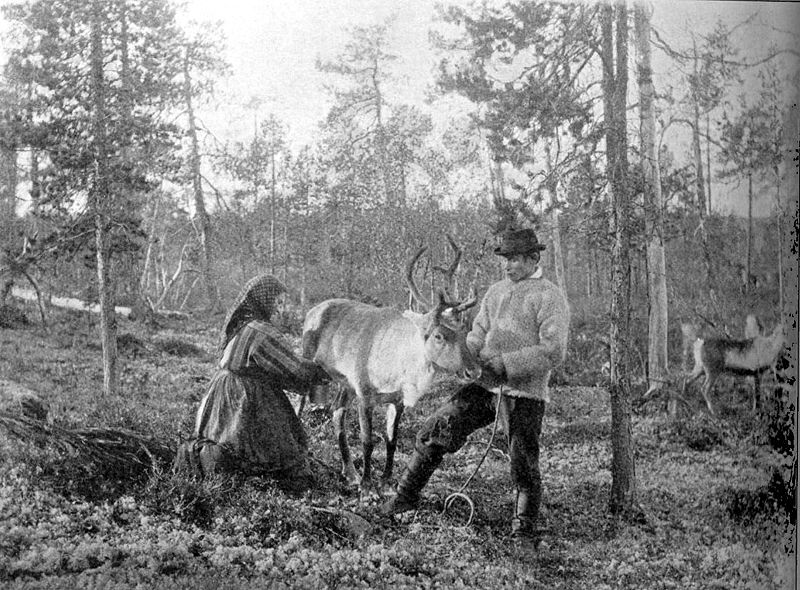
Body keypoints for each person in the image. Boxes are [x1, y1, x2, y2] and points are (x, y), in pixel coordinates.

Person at [381, 228, 570, 551]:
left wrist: (506, 364)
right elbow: (476, 336)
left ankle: (523, 533)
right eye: (505, 259)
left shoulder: (550, 296)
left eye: (514, 259)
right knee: (437, 428)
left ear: (533, 259)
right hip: (484, 386)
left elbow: (553, 351)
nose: (508, 266)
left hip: (524, 393)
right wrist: (461, 353)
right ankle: (403, 498)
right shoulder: (496, 292)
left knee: (523, 461)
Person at [178, 274, 326, 481]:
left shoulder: (242, 326)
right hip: (245, 394)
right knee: (264, 446)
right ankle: (256, 482)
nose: (276, 307)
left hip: (221, 390)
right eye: (274, 300)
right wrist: (323, 370)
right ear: (262, 300)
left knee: (221, 438)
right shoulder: (261, 332)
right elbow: (293, 368)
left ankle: (219, 473)